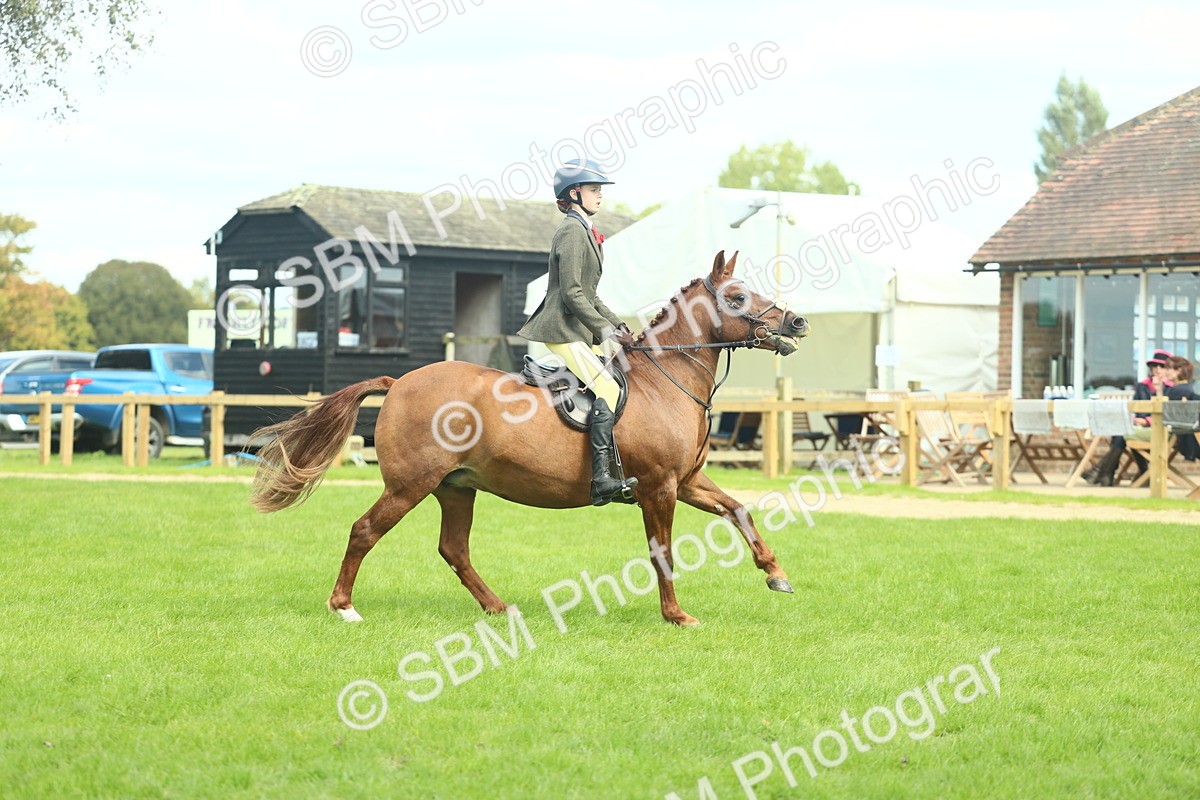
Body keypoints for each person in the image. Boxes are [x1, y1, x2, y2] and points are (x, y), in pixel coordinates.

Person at [518, 158, 639, 506]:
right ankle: (601, 479)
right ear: (575, 193)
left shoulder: (585, 229)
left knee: (618, 375)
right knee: (606, 386)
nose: (600, 196)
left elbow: (591, 294)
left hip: (576, 329)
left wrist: (617, 326)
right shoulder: (572, 231)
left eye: (599, 190)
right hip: (561, 328)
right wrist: (603, 330)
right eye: (594, 189)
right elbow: (571, 292)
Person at [1087, 348, 1173, 486]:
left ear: (1169, 369)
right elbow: (1134, 407)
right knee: (1122, 431)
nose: (1157, 369)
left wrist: (1145, 421)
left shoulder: (1171, 388)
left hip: (1159, 428)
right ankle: (1113, 473)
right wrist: (1134, 419)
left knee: (1124, 434)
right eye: (1154, 366)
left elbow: (1168, 413)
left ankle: (1104, 472)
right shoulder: (1142, 386)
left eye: (1162, 366)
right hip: (1137, 425)